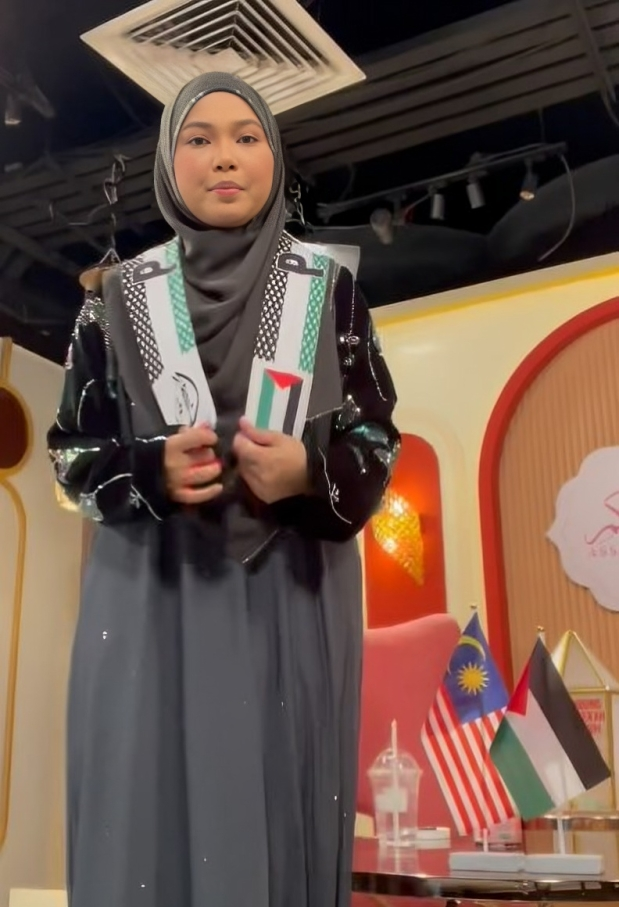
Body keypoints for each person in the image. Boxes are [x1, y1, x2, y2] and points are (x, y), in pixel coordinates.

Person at [48, 72, 399, 907]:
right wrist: (148, 470)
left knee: (278, 795)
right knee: (148, 804)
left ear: (273, 157)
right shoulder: (114, 303)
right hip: (153, 590)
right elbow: (70, 452)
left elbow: (377, 439)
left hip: (290, 589)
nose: (225, 157)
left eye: (246, 137)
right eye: (198, 139)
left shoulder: (328, 292)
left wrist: (309, 474)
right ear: (168, 165)